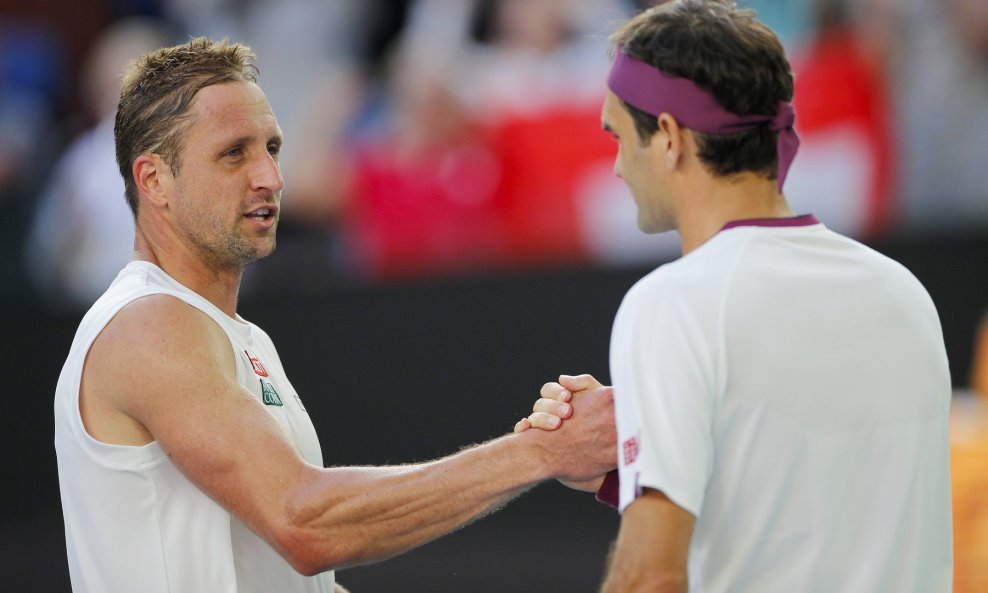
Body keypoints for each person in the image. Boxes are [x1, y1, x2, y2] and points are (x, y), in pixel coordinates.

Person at [52, 37, 616, 593]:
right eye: (233, 153)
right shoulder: (150, 322)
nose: (269, 177)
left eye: (271, 148)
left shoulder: (239, 337)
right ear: (154, 180)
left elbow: (295, 574)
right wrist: (542, 451)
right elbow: (305, 522)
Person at [518, 1, 953, 591]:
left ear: (668, 137)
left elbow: (649, 578)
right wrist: (637, 460)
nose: (618, 166)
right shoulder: (903, 291)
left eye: (619, 136)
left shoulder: (673, 303)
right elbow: (823, 502)